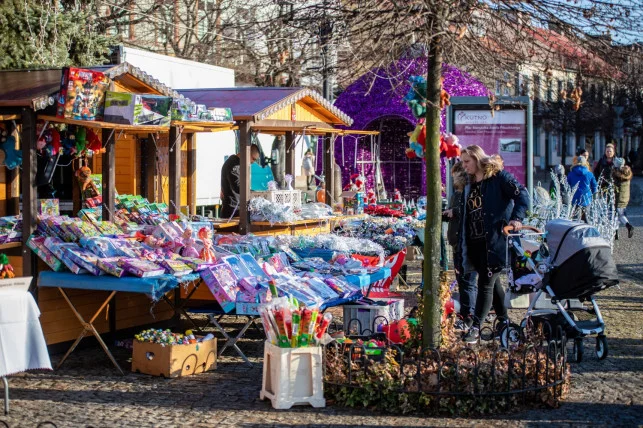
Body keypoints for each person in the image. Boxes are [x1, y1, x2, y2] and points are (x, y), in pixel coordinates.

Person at [458, 145, 529, 344]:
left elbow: (522, 196)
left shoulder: (499, 178)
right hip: (475, 243)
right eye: (462, 162)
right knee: (493, 282)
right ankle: (504, 322)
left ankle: (475, 327)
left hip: (495, 241)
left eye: (467, 161)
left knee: (485, 284)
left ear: (477, 159)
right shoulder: (470, 182)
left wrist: (517, 218)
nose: (464, 166)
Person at [442, 161, 477, 332]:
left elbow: (469, 213)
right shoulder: (457, 193)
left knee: (467, 281)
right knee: (463, 281)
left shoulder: (469, 192)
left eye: (455, 175)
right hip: (457, 241)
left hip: (466, 242)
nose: (452, 178)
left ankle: (469, 315)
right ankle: (467, 313)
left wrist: (454, 212)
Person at [220, 145, 260, 219]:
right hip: (233, 212)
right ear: (247, 153)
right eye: (253, 159)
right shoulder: (234, 164)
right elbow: (239, 187)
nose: (253, 162)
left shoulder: (235, 163)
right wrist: (257, 195)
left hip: (234, 210)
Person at [567, 155, 597, 222]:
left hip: (575, 199)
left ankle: (575, 232)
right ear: (585, 163)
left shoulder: (571, 174)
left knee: (575, 220)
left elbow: (567, 186)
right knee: (586, 219)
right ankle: (587, 232)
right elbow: (594, 186)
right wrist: (593, 196)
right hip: (586, 199)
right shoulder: (589, 174)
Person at [612, 157, 635, 238]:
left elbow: (614, 185)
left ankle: (628, 226)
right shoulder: (626, 172)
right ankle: (616, 233)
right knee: (618, 214)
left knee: (619, 215)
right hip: (625, 197)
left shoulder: (618, 174)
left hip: (619, 198)